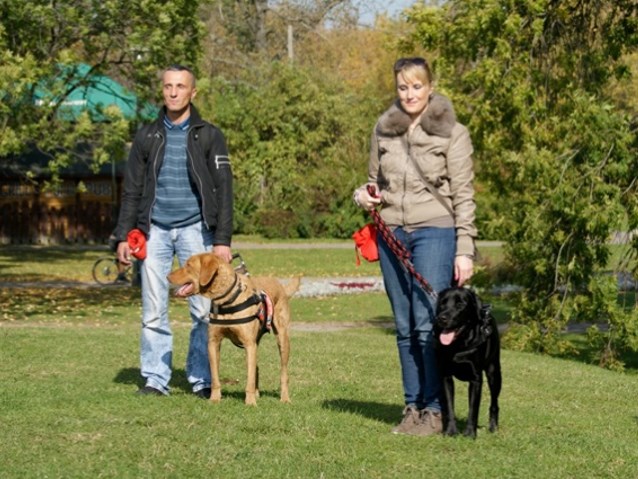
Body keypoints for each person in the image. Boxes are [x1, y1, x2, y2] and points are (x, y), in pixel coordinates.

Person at [353, 57, 477, 436]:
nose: (410, 94)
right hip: (392, 232)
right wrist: (363, 195)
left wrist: (464, 248)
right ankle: (412, 408)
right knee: (405, 325)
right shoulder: (382, 129)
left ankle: (436, 410)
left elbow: (464, 195)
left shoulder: (453, 132)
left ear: (430, 86)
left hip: (435, 232)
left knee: (429, 324)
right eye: (403, 87)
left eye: (417, 86)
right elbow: (373, 181)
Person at [112, 64, 233, 398]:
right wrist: (124, 235)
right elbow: (132, 190)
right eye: (168, 86)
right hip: (155, 233)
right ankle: (155, 379)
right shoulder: (146, 136)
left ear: (193, 92)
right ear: (162, 91)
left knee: (203, 311)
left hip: (197, 232)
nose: (174, 92)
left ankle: (201, 380)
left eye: (181, 86)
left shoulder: (209, 134)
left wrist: (221, 240)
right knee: (153, 310)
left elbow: (224, 189)